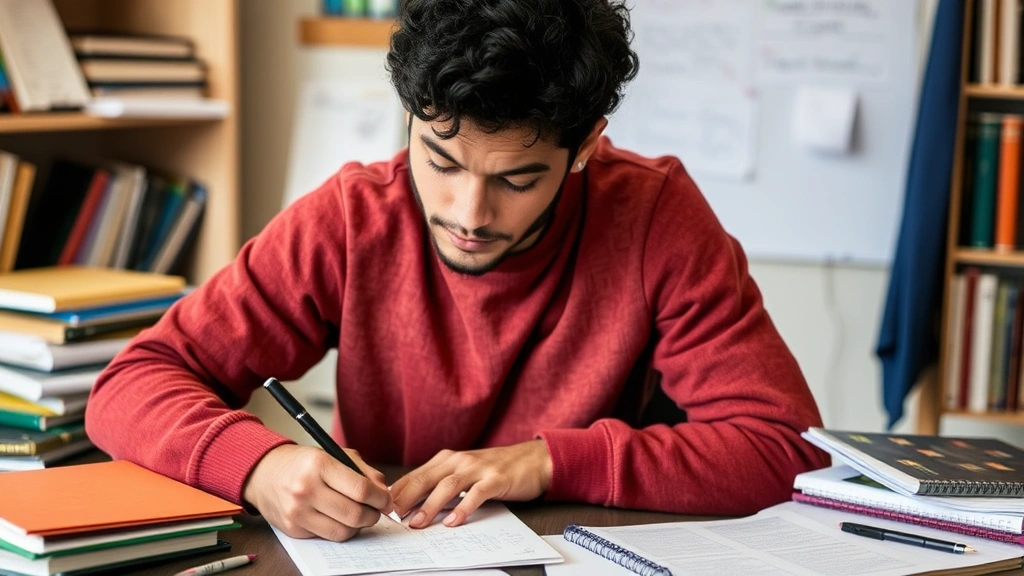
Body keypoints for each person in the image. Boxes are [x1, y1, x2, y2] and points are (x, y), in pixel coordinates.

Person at [86, 0, 827, 543]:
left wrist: (547, 462)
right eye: (440, 161)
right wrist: (260, 465)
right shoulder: (352, 217)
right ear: (409, 114)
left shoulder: (654, 215)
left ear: (586, 148)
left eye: (516, 180)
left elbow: (784, 447)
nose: (469, 212)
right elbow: (131, 384)